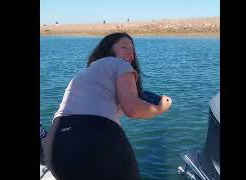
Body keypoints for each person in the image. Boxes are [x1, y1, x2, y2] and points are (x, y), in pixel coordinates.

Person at [44, 32, 172, 180]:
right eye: (124, 47)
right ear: (108, 49)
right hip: (96, 140)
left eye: (133, 50)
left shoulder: (85, 74)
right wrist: (161, 107)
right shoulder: (120, 64)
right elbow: (132, 109)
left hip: (56, 147)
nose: (130, 53)